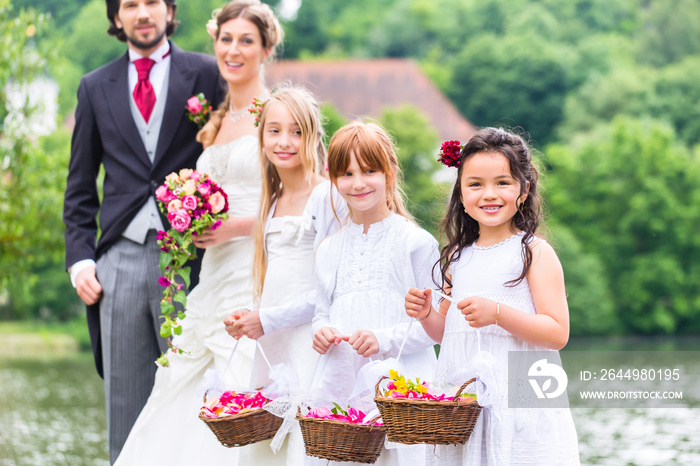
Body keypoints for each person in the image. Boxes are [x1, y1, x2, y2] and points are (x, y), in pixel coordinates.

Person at [112, 1, 283, 464]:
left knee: (242, 385)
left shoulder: (279, 115)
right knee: (180, 380)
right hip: (210, 274)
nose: (233, 50)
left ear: (266, 48)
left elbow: (306, 201)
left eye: (246, 40)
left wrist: (237, 226)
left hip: (256, 271)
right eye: (225, 39)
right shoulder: (215, 119)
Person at [62, 0, 224, 462]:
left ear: (170, 11)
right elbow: (78, 190)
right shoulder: (94, 87)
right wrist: (80, 261)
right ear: (117, 18)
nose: (142, 12)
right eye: (130, 4)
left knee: (197, 402)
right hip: (120, 262)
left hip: (192, 262)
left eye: (152, 2)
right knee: (126, 411)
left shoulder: (209, 75)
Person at [405, 127, 580, 464]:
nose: (489, 194)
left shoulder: (533, 253)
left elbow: (557, 333)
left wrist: (498, 313)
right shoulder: (457, 258)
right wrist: (427, 313)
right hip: (466, 401)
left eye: (502, 182)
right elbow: (448, 333)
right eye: (475, 184)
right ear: (461, 193)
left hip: (520, 396)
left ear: (524, 190)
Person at [223, 84, 347, 465]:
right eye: (274, 130)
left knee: (303, 437)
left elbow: (332, 290)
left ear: (312, 137)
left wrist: (268, 318)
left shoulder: (327, 196)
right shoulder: (272, 201)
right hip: (272, 338)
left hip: (309, 339)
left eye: (296, 131)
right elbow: (276, 279)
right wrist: (249, 315)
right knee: (266, 440)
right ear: (261, 137)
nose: (285, 141)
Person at [308, 121, 438, 465]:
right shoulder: (327, 249)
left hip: (401, 392)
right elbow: (322, 312)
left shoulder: (415, 242)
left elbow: (434, 327)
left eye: (369, 170)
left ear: (389, 172)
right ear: (333, 179)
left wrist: (383, 340)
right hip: (342, 389)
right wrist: (319, 332)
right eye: (346, 173)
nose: (358, 183)